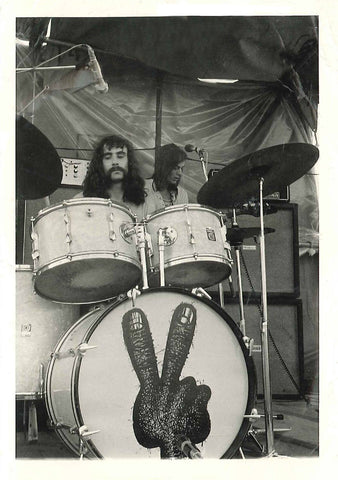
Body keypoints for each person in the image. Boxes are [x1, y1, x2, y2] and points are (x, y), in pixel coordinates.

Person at [75, 134, 148, 221]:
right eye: (108, 157)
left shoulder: (144, 202)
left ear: (129, 162)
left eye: (120, 156)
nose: (115, 162)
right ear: (100, 164)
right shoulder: (81, 203)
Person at [144, 144, 189, 213]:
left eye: (181, 168)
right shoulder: (143, 188)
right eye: (175, 168)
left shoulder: (182, 194)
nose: (180, 173)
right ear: (163, 167)